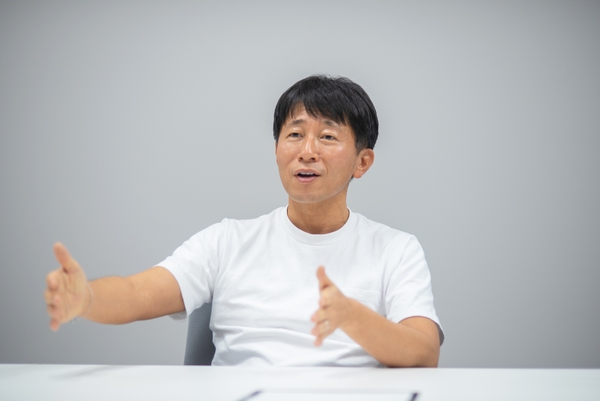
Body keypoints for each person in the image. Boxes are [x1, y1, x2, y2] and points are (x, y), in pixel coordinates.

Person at [45, 75, 443, 367]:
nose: (307, 151)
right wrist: (87, 299)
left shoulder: (395, 249)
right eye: (294, 135)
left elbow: (425, 353)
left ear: (362, 162)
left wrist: (355, 318)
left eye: (327, 137)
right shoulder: (226, 241)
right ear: (277, 149)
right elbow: (137, 293)